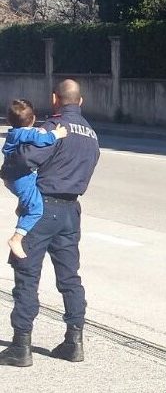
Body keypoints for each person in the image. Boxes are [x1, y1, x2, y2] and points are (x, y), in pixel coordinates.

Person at [0, 79, 100, 367]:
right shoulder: (91, 134)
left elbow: (26, 158)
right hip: (71, 211)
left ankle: (21, 346)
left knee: (26, 275)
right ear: (80, 101)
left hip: (43, 209)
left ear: (55, 98)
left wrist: (9, 166)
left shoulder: (53, 127)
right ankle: (74, 342)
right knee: (69, 277)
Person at [2, 99, 68, 259]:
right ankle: (16, 238)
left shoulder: (15, 133)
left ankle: (22, 207)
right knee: (36, 209)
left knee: (29, 193)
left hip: (13, 177)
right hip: (20, 178)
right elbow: (41, 139)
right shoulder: (26, 133)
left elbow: (33, 135)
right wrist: (57, 134)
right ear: (33, 119)